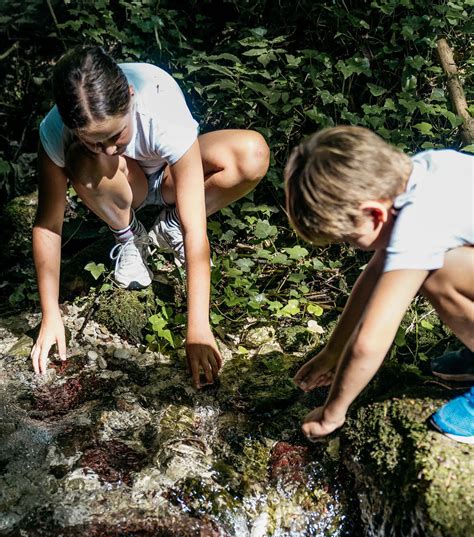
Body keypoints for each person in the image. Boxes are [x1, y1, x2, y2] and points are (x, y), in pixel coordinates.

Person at [31, 46, 270, 387]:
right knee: (82, 162)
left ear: (130, 97)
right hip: (121, 185)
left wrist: (198, 328)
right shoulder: (57, 128)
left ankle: (165, 225)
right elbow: (48, 224)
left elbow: (196, 231)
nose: (110, 148)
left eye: (116, 136)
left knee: (252, 154)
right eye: (95, 142)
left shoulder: (160, 105)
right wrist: (50, 314)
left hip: (168, 179)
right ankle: (129, 234)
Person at [285, 125, 474, 444]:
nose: (354, 247)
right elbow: (374, 276)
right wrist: (332, 352)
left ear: (373, 213)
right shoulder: (419, 174)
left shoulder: (420, 220)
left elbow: (371, 339)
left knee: (439, 273)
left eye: (349, 238)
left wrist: (332, 414)